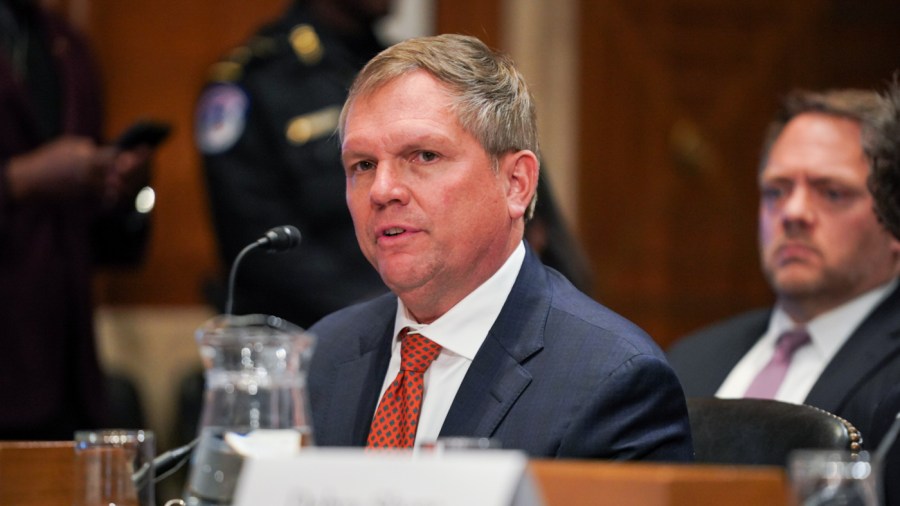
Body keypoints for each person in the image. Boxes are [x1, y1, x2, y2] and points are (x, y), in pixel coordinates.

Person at [306, 33, 693, 460]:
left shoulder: (612, 380)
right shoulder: (323, 354)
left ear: (516, 183)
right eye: (362, 165)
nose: (382, 190)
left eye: (424, 156)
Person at [667, 82, 900, 449]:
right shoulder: (689, 360)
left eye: (832, 192)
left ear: (892, 213)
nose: (792, 213)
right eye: (776, 190)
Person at [0, 0, 155, 439]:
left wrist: (120, 185)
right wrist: (20, 180)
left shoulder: (66, 45)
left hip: (64, 370)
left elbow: (102, 239)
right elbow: (33, 177)